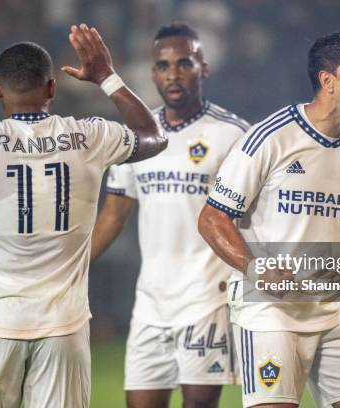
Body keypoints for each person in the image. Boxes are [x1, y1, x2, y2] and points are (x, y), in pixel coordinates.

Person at [0, 25, 166, 407]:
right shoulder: (89, 136)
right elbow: (153, 134)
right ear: (52, 88)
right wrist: (106, 76)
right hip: (65, 328)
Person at [198, 29, 340, 408]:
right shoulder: (271, 138)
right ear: (328, 81)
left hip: (336, 307)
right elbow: (212, 219)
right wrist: (256, 269)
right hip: (272, 310)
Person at [91, 22, 249, 408]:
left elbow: (253, 217)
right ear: (152, 73)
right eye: (163, 66)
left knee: (199, 405)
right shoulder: (136, 137)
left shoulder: (235, 135)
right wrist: (70, 265)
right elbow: (113, 214)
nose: (173, 74)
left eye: (184, 64)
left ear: (203, 67)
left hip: (207, 299)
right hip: (150, 302)